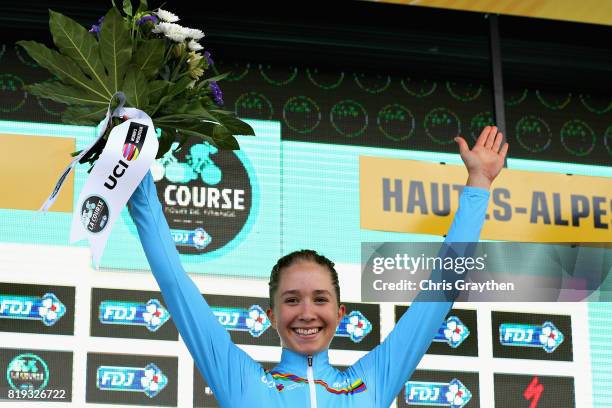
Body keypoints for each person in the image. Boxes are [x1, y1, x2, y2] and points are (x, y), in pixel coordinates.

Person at [128, 126, 508, 407]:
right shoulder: (241, 383)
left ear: (340, 313)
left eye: (320, 299)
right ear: (271, 316)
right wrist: (131, 168)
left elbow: (439, 292)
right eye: (292, 300)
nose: (307, 312)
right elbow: (174, 283)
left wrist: (478, 184)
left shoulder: (370, 384)